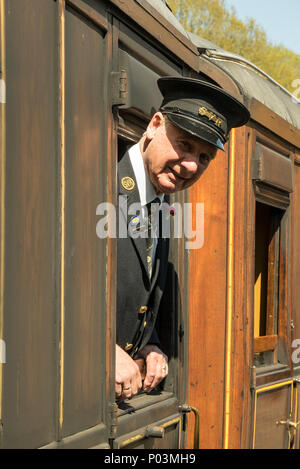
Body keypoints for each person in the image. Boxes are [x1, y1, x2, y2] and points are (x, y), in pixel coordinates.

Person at [115, 76, 250, 401]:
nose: (191, 165)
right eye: (186, 144)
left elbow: (137, 293)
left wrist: (151, 343)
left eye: (205, 158)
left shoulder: (163, 201)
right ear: (155, 124)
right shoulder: (97, 176)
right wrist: (96, 349)